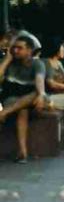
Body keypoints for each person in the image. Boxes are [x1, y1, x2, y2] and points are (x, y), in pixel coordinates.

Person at [0, 35, 48, 163]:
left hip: (31, 98)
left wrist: (41, 94)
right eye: (14, 48)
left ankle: (4, 113)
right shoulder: (9, 63)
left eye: (19, 48)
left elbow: (39, 82)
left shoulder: (37, 64)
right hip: (11, 98)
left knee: (35, 94)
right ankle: (23, 152)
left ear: (29, 50)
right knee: (23, 110)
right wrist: (6, 60)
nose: (15, 51)